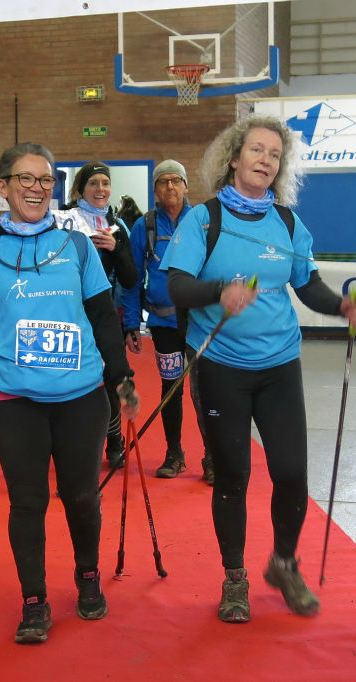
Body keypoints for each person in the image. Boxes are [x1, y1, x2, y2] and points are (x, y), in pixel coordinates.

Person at [160, 116, 356, 623]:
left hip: (279, 366)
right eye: (256, 150)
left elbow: (308, 286)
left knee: (292, 474)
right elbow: (177, 288)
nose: (266, 160)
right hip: (220, 368)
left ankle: (284, 563)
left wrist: (340, 306)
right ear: (234, 157)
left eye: (275, 154)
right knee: (233, 476)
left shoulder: (289, 225)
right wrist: (219, 293)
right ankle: (235, 579)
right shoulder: (203, 220)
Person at [0, 142, 140, 644]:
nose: (36, 189)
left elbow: (104, 315)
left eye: (45, 180)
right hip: (15, 401)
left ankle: (86, 575)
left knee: (81, 496)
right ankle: (34, 600)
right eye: (25, 179)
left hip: (80, 396)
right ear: (4, 188)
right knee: (28, 501)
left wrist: (121, 375)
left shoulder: (77, 247)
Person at [121, 160, 212, 483]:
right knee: (171, 390)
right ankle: (174, 454)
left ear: (186, 186)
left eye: (176, 181)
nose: (170, 187)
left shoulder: (203, 221)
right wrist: (131, 324)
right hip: (163, 326)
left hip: (201, 324)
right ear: (155, 190)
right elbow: (130, 280)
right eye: (163, 182)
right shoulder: (143, 227)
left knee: (206, 390)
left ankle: (212, 456)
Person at [54, 161, 138, 470]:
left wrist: (116, 249)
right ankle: (70, 447)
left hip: (105, 316)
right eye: (93, 183)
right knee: (71, 385)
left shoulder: (119, 225)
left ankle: (114, 443)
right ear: (80, 189)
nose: (100, 189)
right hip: (68, 316)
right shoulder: (62, 221)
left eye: (105, 183)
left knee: (109, 380)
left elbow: (131, 279)